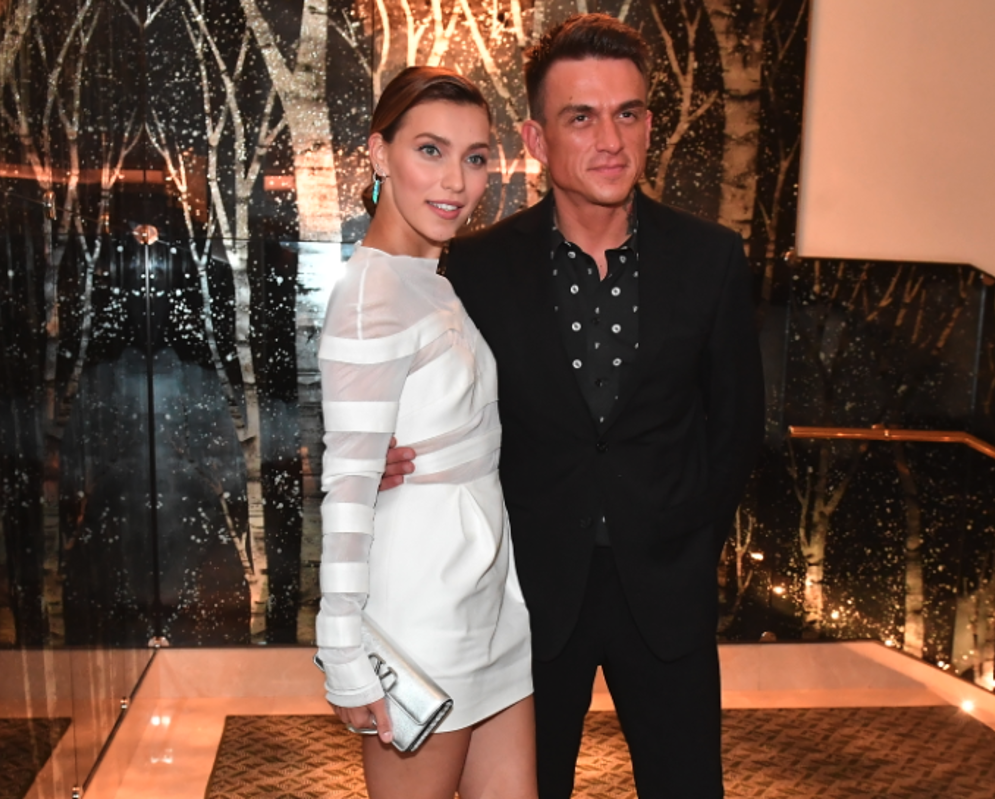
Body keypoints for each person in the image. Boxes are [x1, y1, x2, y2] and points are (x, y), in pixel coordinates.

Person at [383, 14, 765, 799]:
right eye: (581, 117)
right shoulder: (477, 268)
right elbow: (440, 405)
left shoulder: (711, 259)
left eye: (627, 113)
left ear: (649, 125)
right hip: (526, 596)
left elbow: (735, 425)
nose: (610, 140)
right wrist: (387, 453)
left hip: (666, 592)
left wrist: (689, 538)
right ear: (537, 138)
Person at [314, 66, 537, 799]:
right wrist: (341, 646)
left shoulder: (429, 277)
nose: (456, 182)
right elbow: (347, 492)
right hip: (423, 604)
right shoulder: (371, 295)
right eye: (430, 150)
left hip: (486, 589)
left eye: (475, 157)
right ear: (379, 153)